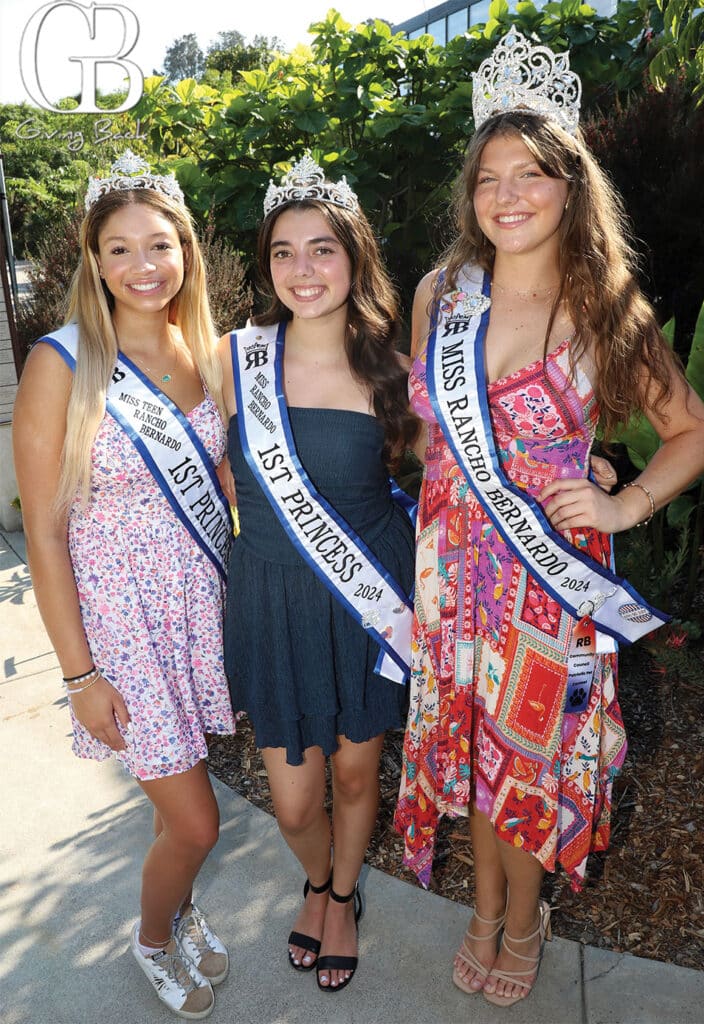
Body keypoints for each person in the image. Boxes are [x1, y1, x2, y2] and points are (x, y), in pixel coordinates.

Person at [394, 27, 704, 1009]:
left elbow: (693, 432)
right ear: (470, 192)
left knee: (527, 763)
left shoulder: (604, 306)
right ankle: (486, 911)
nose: (508, 193)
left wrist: (622, 497)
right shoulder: (438, 294)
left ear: (571, 186)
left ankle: (519, 920)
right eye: (489, 174)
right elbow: (425, 438)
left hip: (547, 585)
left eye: (532, 172)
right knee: (477, 760)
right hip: (455, 576)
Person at [13, 151, 236, 1021]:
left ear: (186, 251)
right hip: (119, 630)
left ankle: (173, 909)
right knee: (196, 823)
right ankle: (151, 941)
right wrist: (78, 675)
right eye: (120, 250)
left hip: (193, 613)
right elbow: (43, 530)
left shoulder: (205, 351)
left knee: (173, 807)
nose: (143, 267)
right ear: (94, 262)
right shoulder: (62, 363)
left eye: (159, 246)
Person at [218, 153, 417, 993]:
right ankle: (316, 872)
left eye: (323, 248)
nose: (303, 270)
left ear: (355, 257)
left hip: (362, 602)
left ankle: (340, 896)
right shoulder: (232, 360)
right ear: (266, 267)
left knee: (353, 772)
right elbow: (218, 477)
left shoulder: (393, 373)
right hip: (271, 604)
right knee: (295, 802)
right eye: (284, 252)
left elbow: (450, 484)